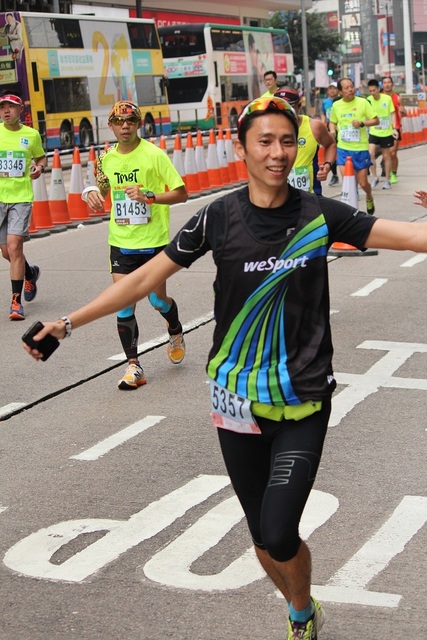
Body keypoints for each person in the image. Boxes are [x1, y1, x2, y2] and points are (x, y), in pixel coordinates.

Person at [24, 95, 427, 639]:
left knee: (280, 532)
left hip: (302, 398)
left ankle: (300, 609)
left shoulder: (319, 214)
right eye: (265, 141)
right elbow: (142, 279)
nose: (278, 152)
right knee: (260, 536)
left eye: (287, 141)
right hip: (235, 400)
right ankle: (302, 610)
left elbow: (411, 236)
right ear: (241, 149)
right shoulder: (218, 216)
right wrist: (67, 323)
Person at [81, 100, 188, 390]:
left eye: (130, 121)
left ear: (139, 124)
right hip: (121, 242)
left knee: (157, 301)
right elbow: (103, 188)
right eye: (119, 122)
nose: (125, 126)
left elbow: (181, 193)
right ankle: (133, 366)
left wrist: (150, 197)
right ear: (111, 126)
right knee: (124, 303)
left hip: (153, 243)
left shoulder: (154, 155)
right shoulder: (105, 158)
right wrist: (91, 193)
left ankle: (175, 328)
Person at [0, 93, 46, 321]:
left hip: (21, 197)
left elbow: (41, 158)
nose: (6, 111)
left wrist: (39, 168)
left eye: (11, 107)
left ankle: (16, 302)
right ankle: (30, 272)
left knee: (14, 245)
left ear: (21, 110)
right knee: (6, 251)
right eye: (2, 107)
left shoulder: (31, 135)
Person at [329, 77, 379, 214]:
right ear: (340, 92)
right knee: (348, 181)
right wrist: (332, 130)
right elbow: (332, 121)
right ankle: (353, 209)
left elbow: (376, 120)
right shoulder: (336, 105)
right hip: (343, 148)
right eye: (346, 88)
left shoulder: (363, 102)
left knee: (363, 183)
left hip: (360, 149)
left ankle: (369, 196)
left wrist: (362, 123)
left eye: (351, 86)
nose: (350, 89)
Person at [274, 87, 337, 195]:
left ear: (299, 105)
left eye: (290, 106)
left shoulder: (314, 127)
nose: (285, 111)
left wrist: (327, 165)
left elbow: (330, 144)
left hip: (310, 196)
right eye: (280, 107)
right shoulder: (267, 130)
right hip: (278, 197)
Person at [366, 79, 397, 190]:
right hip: (374, 131)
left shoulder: (387, 99)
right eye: (370, 91)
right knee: (370, 154)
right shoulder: (368, 100)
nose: (372, 93)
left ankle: (387, 179)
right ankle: (375, 177)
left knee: (386, 156)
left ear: (378, 89)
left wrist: (394, 128)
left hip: (386, 132)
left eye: (374, 90)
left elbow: (393, 114)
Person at [381, 76, 407, 183]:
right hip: (382, 129)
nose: (387, 84)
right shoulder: (379, 97)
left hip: (395, 128)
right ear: (382, 85)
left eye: (389, 82)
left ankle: (394, 173)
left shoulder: (398, 98)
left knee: (392, 153)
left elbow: (404, 114)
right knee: (384, 153)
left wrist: (403, 111)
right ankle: (384, 165)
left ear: (392, 84)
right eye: (384, 83)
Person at [321, 82, 341, 186]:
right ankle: (334, 175)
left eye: (334, 88)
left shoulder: (341, 101)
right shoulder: (325, 102)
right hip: (331, 128)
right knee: (331, 149)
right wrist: (323, 124)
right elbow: (323, 113)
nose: (332, 91)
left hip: (341, 128)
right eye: (330, 89)